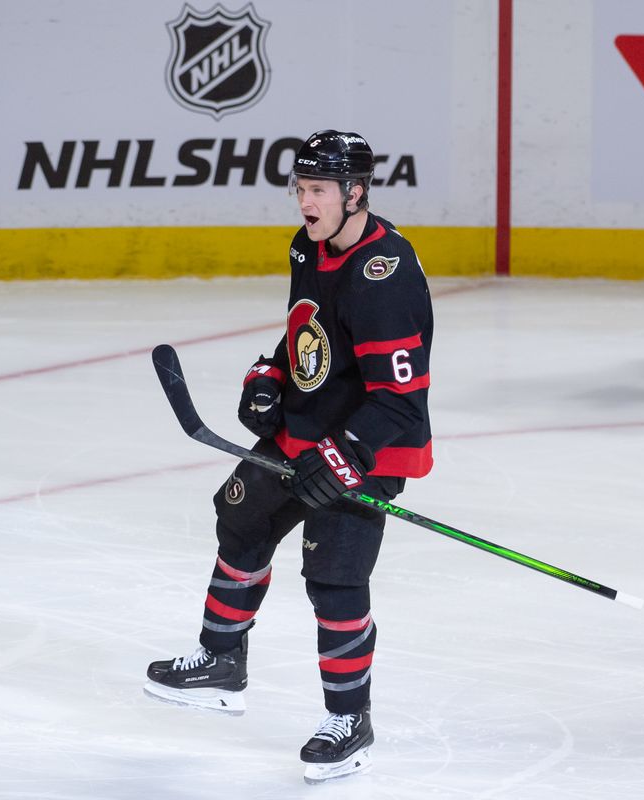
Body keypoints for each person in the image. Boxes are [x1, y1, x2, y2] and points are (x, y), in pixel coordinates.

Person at [144, 130, 434, 784]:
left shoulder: (382, 274)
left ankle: (348, 719)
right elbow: (306, 329)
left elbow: (399, 401)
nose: (305, 202)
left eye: (318, 190)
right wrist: (270, 375)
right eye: (300, 189)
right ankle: (220, 662)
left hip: (367, 449)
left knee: (333, 579)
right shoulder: (309, 245)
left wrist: (343, 458)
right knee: (240, 521)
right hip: (305, 430)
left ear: (355, 192)